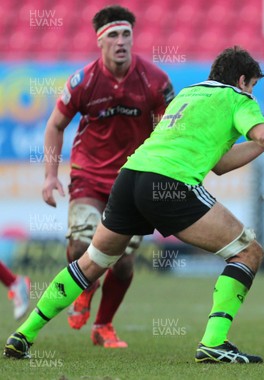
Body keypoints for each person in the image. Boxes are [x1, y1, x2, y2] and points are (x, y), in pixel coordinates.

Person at [4, 46, 264, 363]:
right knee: (248, 252)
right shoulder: (237, 98)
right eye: (253, 86)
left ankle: (24, 333)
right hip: (168, 183)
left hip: (130, 177)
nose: (252, 94)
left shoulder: (190, 93)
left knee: (92, 262)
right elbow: (263, 134)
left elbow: (222, 162)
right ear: (242, 81)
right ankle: (213, 343)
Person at [41, 5, 174, 348]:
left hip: (132, 178)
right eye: (113, 35)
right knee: (80, 245)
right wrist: (50, 175)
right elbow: (55, 125)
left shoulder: (155, 81)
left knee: (125, 264)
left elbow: (170, 133)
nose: (121, 41)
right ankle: (85, 289)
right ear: (100, 42)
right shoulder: (83, 80)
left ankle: (103, 325)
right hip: (89, 173)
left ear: (133, 38)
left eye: (126, 34)